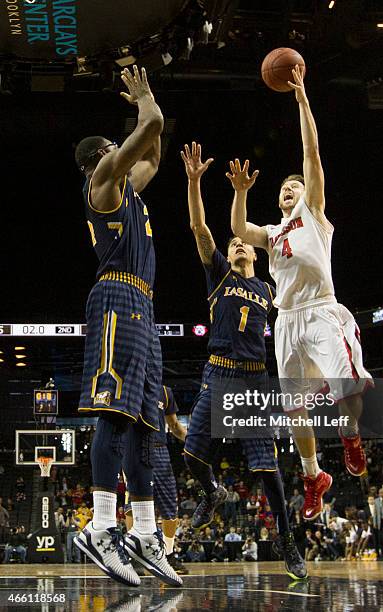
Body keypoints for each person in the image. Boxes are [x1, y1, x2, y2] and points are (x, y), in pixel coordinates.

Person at [229, 64, 372, 522]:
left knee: (345, 385)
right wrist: (240, 191)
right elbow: (237, 228)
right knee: (295, 411)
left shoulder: (313, 212)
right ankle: (313, 477)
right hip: (286, 321)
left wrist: (302, 98)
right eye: (284, 189)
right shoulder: (272, 232)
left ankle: (350, 435)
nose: (289, 190)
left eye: (294, 186)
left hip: (320, 311)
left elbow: (311, 151)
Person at [74, 65, 180, 588]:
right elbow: (152, 126)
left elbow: (155, 150)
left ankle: (143, 531)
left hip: (144, 306)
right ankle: (99, 526)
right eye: (118, 146)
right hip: (116, 297)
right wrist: (145, 99)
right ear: (103, 156)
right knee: (115, 413)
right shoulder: (103, 186)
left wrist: (150, 108)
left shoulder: (131, 190)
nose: (127, 150)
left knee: (146, 425)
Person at [180, 141, 306, 580]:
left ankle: (288, 540)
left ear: (255, 254)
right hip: (217, 374)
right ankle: (211, 491)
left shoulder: (271, 291)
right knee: (192, 456)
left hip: (253, 380)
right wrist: (195, 183)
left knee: (268, 471)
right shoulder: (218, 274)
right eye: (233, 242)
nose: (236, 245)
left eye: (242, 244)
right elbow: (200, 228)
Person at [125, 385, 189, 574]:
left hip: (160, 449)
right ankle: (134, 555)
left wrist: (194, 444)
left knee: (170, 505)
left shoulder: (165, 392)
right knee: (132, 504)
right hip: (133, 447)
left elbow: (175, 426)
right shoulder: (130, 386)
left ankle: (168, 555)